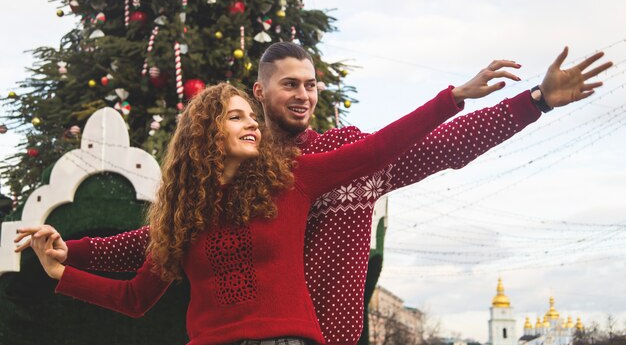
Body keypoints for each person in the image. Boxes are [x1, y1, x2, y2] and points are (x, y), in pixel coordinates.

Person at [16, 44, 612, 345]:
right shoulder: (211, 192)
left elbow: (441, 147)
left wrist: (531, 102)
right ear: (258, 92)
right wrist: (66, 252)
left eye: (311, 85)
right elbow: (150, 248)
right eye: (289, 85)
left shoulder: (336, 160)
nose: (303, 95)